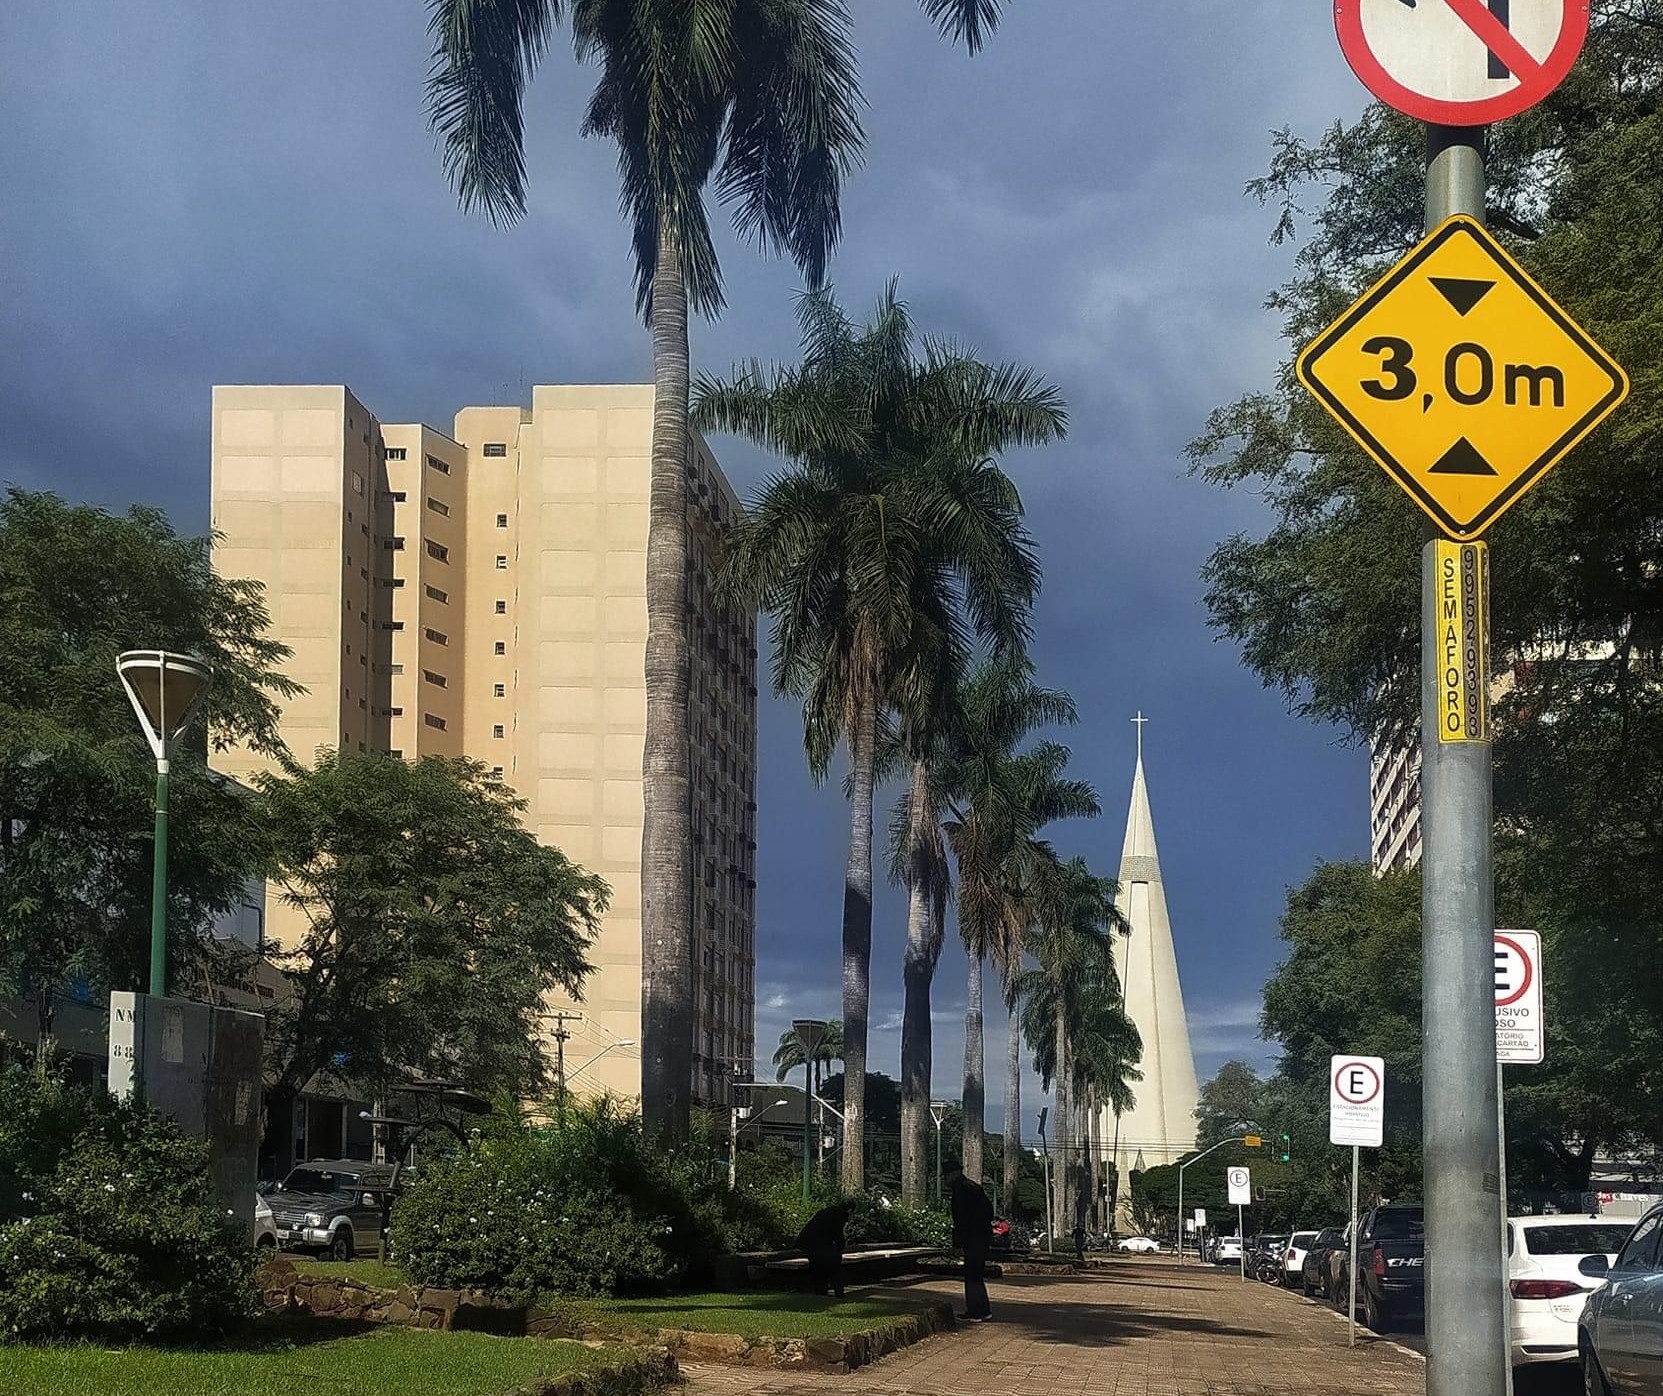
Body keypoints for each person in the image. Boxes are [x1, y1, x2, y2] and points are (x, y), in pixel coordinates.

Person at [946, 1161, 994, 1322]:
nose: (945, 1181)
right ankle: (983, 1309)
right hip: (983, 1235)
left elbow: (961, 1220)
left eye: (946, 1176)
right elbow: (989, 1211)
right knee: (977, 1274)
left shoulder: (960, 1191)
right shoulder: (974, 1187)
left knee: (972, 1274)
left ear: (953, 1174)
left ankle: (975, 1310)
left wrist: (958, 1243)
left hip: (973, 1237)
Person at [794, 1202, 850, 1297]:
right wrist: (840, 1247)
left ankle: (821, 1291)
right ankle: (837, 1292)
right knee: (833, 1264)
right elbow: (838, 1234)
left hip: (809, 1242)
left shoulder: (826, 1212)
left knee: (820, 1265)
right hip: (817, 1244)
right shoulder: (839, 1215)